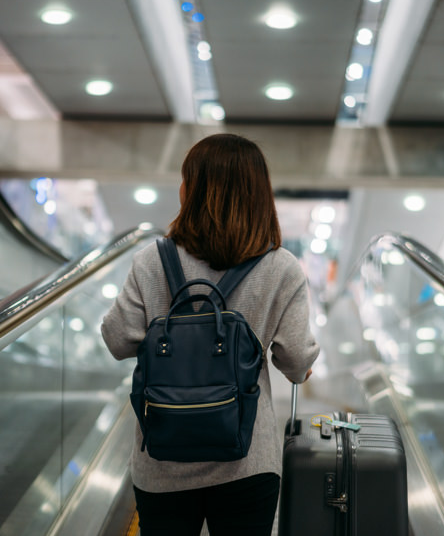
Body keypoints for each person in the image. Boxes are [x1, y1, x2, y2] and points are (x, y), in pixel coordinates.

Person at [101, 133, 319, 536]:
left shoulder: (152, 260)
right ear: (259, 194)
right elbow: (295, 362)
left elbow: (117, 340)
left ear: (193, 190)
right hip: (247, 461)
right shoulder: (281, 267)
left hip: (162, 463)